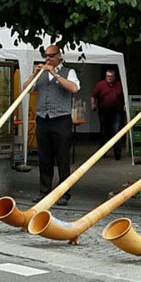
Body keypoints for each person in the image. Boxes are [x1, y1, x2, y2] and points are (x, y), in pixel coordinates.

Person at [27, 45, 80, 206]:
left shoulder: (69, 72)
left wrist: (55, 74)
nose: (48, 59)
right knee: (44, 157)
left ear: (59, 55)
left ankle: (64, 194)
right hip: (43, 118)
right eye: (46, 56)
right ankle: (44, 192)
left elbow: (74, 88)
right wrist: (34, 75)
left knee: (62, 158)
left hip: (61, 119)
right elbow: (26, 89)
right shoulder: (40, 74)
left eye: (51, 55)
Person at [91, 69, 124, 160]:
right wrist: (93, 104)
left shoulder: (119, 85)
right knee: (104, 131)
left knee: (116, 131)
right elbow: (93, 95)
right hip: (104, 111)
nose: (109, 78)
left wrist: (125, 105)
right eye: (107, 76)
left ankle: (117, 154)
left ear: (114, 77)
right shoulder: (100, 85)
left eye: (111, 77)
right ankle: (102, 152)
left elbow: (123, 96)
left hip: (116, 111)